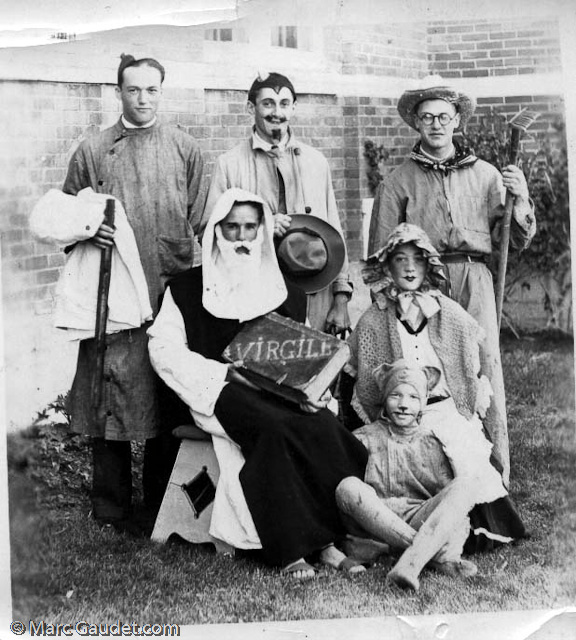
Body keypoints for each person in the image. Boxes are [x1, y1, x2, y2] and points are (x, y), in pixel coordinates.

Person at [148, 188, 368, 580]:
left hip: (277, 392)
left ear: (262, 231)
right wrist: (219, 374)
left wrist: (312, 391)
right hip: (214, 391)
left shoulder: (286, 292)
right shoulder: (185, 288)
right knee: (275, 430)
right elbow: (162, 349)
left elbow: (301, 357)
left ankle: (331, 542)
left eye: (250, 227)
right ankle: (290, 549)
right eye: (231, 227)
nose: (241, 237)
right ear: (217, 231)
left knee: (323, 427)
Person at [61, 53, 206, 532]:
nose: (143, 99)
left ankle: (161, 502)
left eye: (151, 90)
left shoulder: (185, 148)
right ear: (118, 92)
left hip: (169, 293)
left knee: (167, 395)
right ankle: (111, 505)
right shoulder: (93, 151)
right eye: (133, 89)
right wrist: (87, 230)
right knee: (109, 395)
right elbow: (66, 216)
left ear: (161, 92)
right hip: (111, 295)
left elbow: (203, 223)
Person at [367, 75, 536, 485]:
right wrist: (391, 300)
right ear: (416, 123)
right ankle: (430, 472)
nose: (436, 125)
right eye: (427, 117)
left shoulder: (487, 175)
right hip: (424, 284)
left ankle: (494, 471)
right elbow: (381, 254)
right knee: (429, 367)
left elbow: (515, 239)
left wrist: (521, 198)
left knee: (483, 365)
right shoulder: (398, 181)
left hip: (474, 278)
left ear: (457, 120)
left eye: (444, 116)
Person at [346, 223, 526, 551]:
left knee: (464, 452)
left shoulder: (448, 312)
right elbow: (368, 380)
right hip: (398, 410)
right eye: (400, 259)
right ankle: (402, 527)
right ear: (387, 267)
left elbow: (466, 364)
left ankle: (469, 531)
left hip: (443, 407)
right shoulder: (374, 318)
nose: (409, 267)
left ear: (429, 265)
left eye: (417, 259)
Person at [337, 360, 516, 591]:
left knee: (465, 486)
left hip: (419, 517)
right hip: (376, 521)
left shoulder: (433, 440)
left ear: (423, 403)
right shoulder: (362, 438)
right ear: (384, 399)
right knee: (347, 487)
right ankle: (428, 554)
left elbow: (449, 508)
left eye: (413, 397)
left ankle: (409, 563)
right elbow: (352, 500)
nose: (403, 405)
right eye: (395, 396)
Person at [203, 71, 352, 333]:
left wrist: (341, 299)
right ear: (251, 108)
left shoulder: (316, 162)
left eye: (284, 104)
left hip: (314, 294)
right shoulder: (229, 164)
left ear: (293, 107)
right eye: (268, 103)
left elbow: (334, 232)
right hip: (254, 295)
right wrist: (261, 228)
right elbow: (208, 234)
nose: (277, 112)